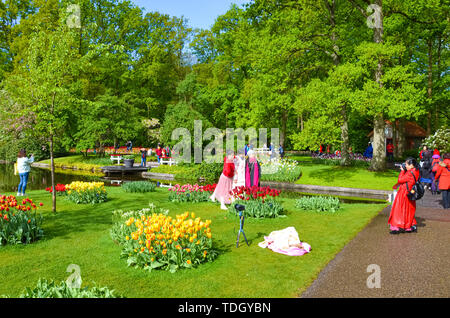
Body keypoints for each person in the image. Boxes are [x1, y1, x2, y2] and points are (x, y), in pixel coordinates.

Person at [388, 157, 420, 234]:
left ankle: (396, 227)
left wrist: (402, 171)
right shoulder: (416, 171)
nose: (405, 166)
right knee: (409, 211)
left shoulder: (409, 173)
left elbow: (400, 180)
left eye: (406, 164)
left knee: (398, 210)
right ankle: (408, 226)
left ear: (412, 165)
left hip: (404, 193)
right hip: (410, 193)